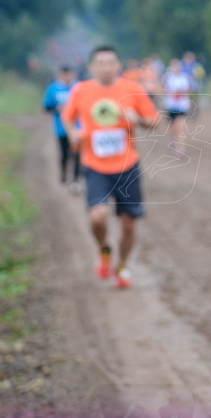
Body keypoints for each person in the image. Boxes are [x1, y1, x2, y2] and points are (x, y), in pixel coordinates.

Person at [62, 45, 160, 289]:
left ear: (119, 66)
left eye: (110, 63)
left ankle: (123, 266)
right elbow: (67, 117)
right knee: (98, 216)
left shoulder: (132, 89)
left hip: (127, 166)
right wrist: (74, 132)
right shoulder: (82, 90)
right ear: (92, 66)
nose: (106, 67)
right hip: (95, 165)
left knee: (128, 223)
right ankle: (104, 249)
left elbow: (155, 121)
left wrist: (139, 120)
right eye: (100, 63)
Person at [42, 65, 81, 193]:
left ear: (73, 74)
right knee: (65, 154)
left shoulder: (79, 87)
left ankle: (75, 181)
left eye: (69, 74)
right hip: (61, 128)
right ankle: (64, 171)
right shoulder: (53, 88)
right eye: (64, 74)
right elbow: (46, 107)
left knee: (77, 154)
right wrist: (57, 108)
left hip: (78, 128)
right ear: (60, 75)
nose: (67, 77)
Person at [161, 58, 192, 156]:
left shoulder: (184, 77)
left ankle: (181, 148)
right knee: (173, 127)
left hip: (182, 106)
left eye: (178, 65)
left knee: (181, 127)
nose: (177, 68)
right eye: (175, 66)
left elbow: (188, 90)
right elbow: (162, 89)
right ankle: (172, 138)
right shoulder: (168, 78)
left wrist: (183, 93)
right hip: (171, 106)